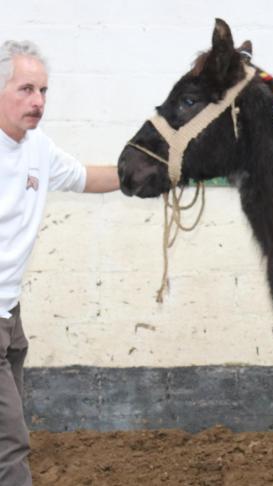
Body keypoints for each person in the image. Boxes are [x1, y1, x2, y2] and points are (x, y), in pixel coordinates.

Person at [0, 40, 119, 485]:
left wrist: (152, 171)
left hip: (9, 313)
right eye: (26, 89)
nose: (38, 101)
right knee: (10, 442)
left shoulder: (38, 148)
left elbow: (87, 177)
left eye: (43, 91)